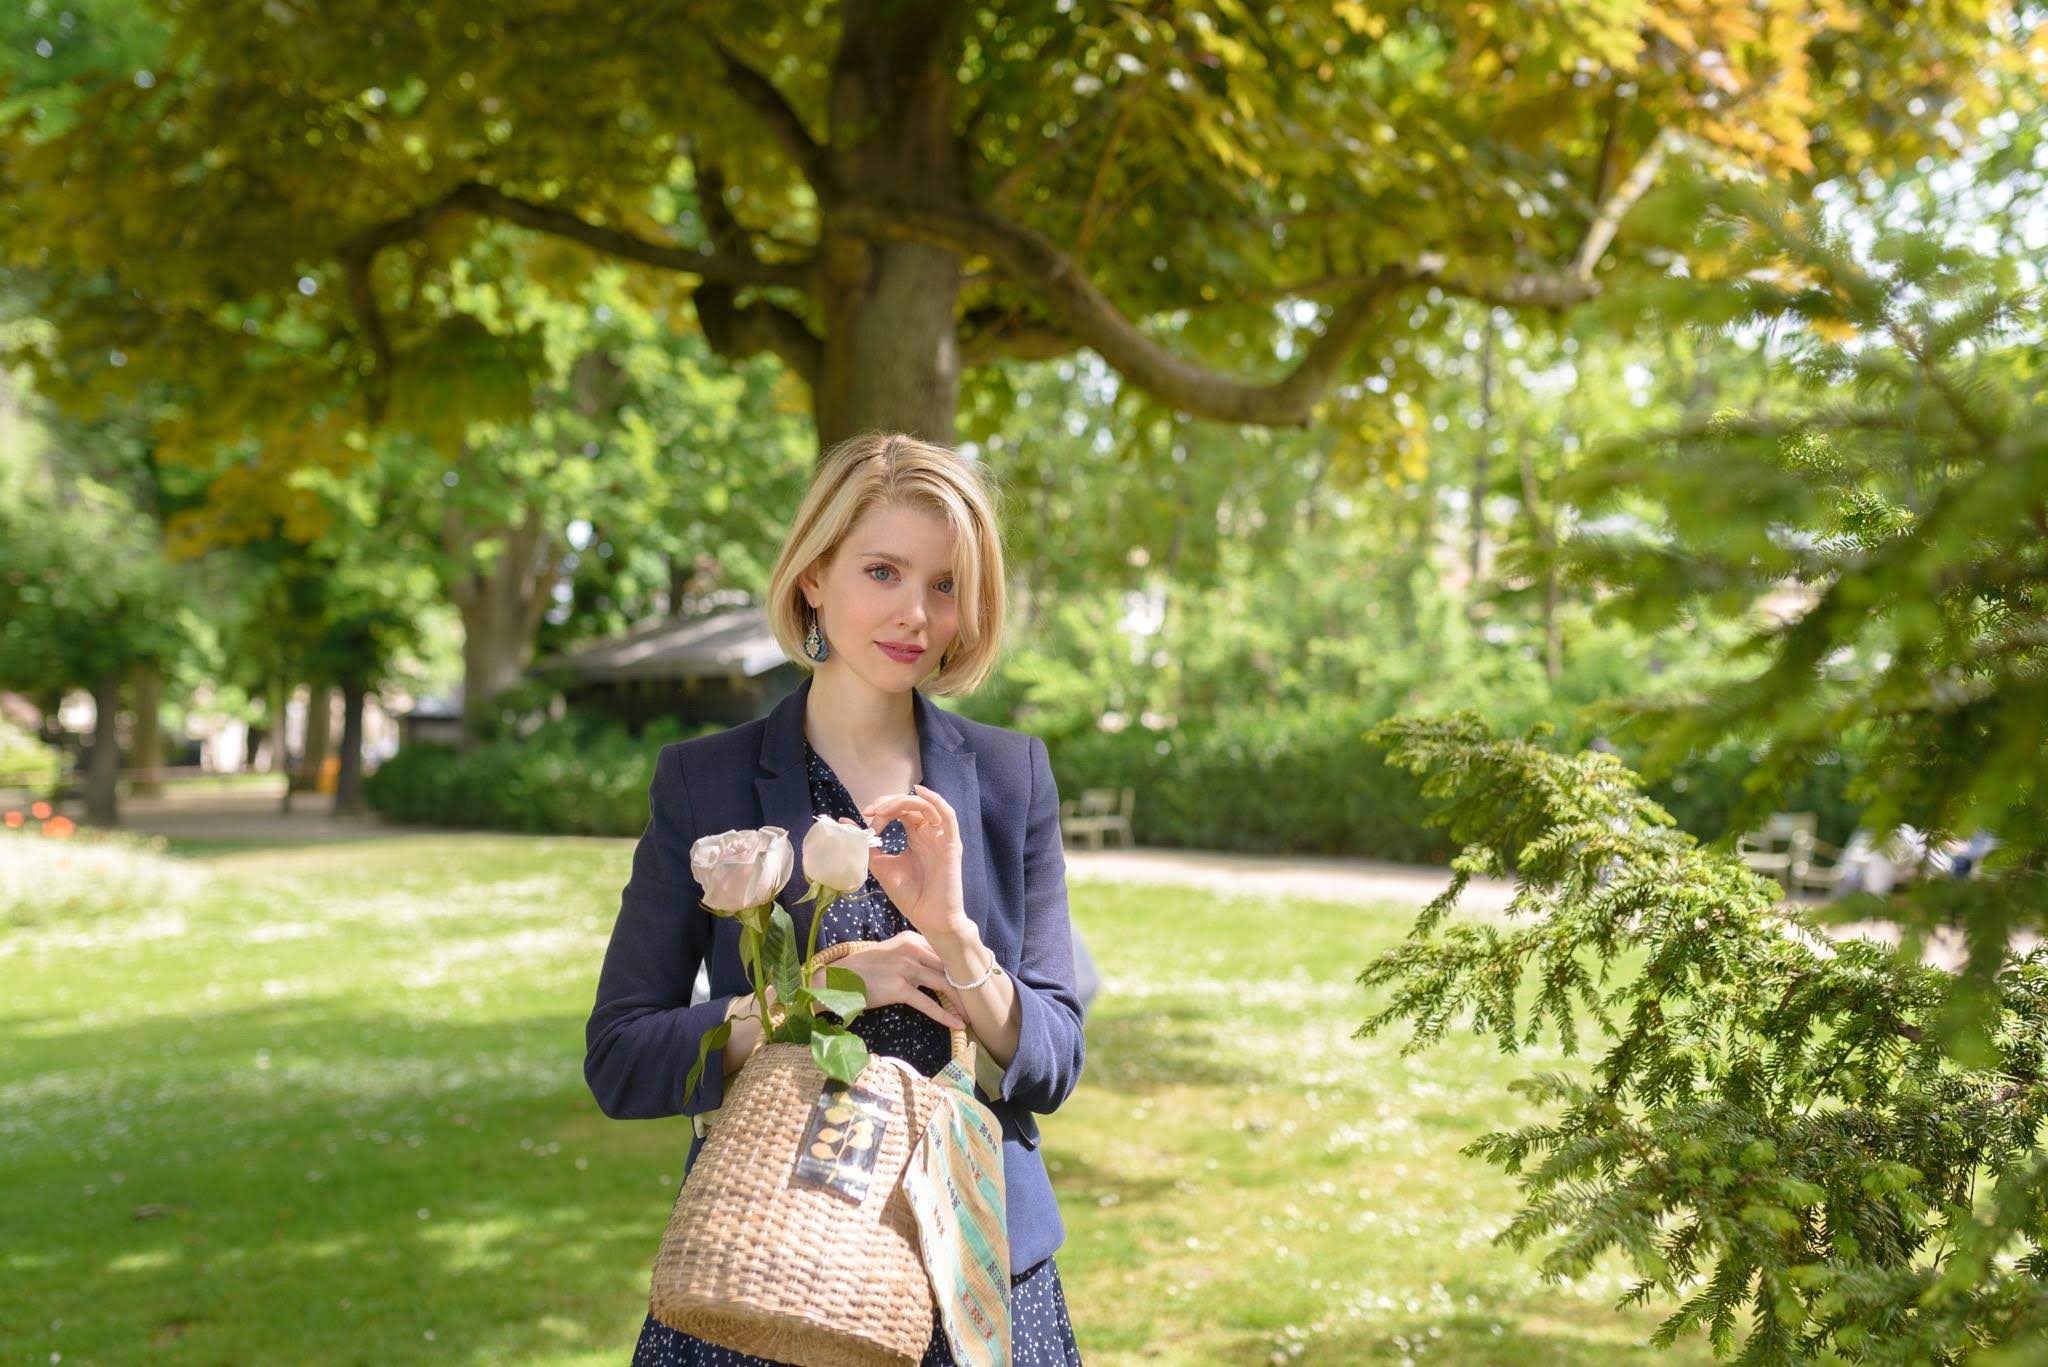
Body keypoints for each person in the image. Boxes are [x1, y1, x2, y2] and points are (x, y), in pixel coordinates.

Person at [584, 432, 1088, 1365]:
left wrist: (957, 939)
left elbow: (1054, 1061)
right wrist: (816, 992)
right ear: (814, 575)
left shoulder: (1013, 777)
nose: (916, 613)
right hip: (770, 1274)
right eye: (882, 571)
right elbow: (619, 1057)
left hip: (975, 1279)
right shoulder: (704, 781)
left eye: (945, 584)